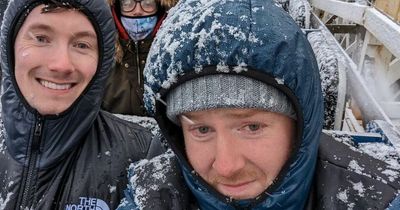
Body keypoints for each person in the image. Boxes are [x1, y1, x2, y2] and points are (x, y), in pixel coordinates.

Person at [117, 0, 400, 209]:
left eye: (251, 126)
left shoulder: (377, 198)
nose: (227, 166)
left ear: (300, 124)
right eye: (202, 130)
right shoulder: (150, 196)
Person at [0, 0, 162, 209]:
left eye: (81, 45)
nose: (61, 64)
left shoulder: (143, 155)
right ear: (9, 47)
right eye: (41, 38)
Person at [102, 0, 177, 116]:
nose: (137, 11)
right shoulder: (102, 60)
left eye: (147, 3)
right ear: (116, 8)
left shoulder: (174, 57)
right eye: (127, 3)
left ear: (160, 8)